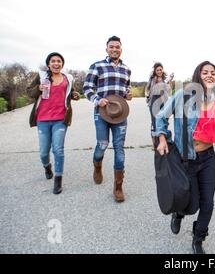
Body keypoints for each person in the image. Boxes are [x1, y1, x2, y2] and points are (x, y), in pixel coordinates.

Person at [155, 61, 215, 254]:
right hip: (187, 159)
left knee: (208, 204)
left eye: (213, 73)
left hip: (208, 159)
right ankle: (178, 213)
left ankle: (198, 238)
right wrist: (163, 138)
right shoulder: (183, 96)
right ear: (198, 75)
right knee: (191, 204)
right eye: (205, 72)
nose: (210, 75)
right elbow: (160, 116)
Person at [83, 36, 132, 203]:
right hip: (102, 113)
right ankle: (97, 166)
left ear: (121, 49)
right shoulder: (97, 66)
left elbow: (127, 87)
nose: (115, 49)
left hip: (120, 114)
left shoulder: (126, 68)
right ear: (107, 49)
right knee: (102, 144)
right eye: (112, 47)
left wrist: (128, 93)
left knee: (119, 148)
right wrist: (97, 100)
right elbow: (87, 88)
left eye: (117, 47)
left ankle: (118, 187)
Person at [27, 52, 80, 194]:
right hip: (43, 119)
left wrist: (75, 95)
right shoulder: (41, 76)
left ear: (62, 64)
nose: (56, 63)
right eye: (53, 61)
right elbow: (29, 92)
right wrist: (38, 89)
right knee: (44, 151)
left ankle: (58, 179)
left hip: (60, 119)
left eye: (59, 61)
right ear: (48, 64)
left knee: (58, 149)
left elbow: (71, 92)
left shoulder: (68, 78)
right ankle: (47, 166)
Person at [144, 62, 174, 148]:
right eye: (157, 70)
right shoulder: (152, 79)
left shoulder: (166, 79)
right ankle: (155, 142)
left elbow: (168, 90)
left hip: (163, 101)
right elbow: (148, 89)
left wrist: (169, 82)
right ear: (155, 71)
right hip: (153, 101)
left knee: (164, 120)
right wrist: (147, 98)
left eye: (161, 69)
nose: (159, 71)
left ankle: (164, 140)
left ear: (163, 70)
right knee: (154, 122)